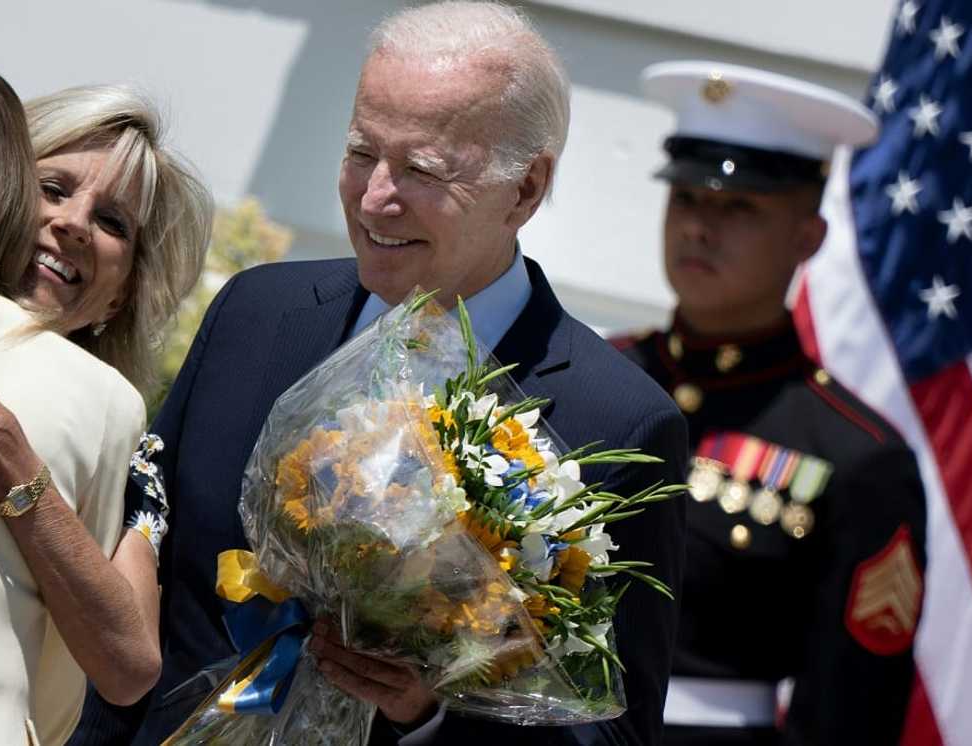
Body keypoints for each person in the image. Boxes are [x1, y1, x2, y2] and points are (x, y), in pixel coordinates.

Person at [72, 3, 688, 745]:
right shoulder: (258, 313)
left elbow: (614, 733)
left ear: (525, 188)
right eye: (362, 152)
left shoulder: (615, 421)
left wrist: (427, 714)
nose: (373, 198)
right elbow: (142, 545)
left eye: (422, 169)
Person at [0, 64, 212, 745]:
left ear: (121, 294)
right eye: (51, 189)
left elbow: (128, 664)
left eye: (113, 222)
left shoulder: (126, 444)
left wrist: (3, 451)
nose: (73, 224)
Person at [611, 61, 927, 746]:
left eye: (739, 208)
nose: (699, 227)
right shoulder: (586, 373)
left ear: (807, 237)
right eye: (688, 199)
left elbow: (850, 709)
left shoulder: (857, 455)